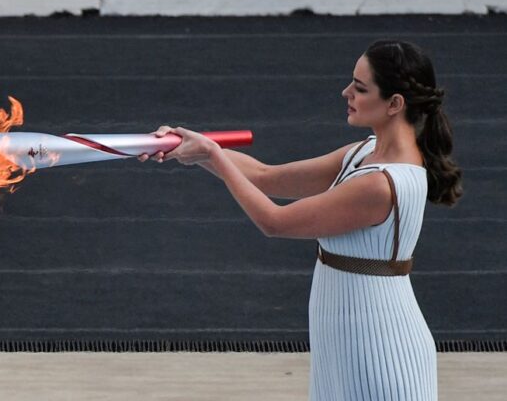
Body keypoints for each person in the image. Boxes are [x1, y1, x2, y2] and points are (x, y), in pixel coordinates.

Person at [139, 40, 463, 400]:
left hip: (378, 340)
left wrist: (215, 154)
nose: (346, 93)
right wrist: (192, 149)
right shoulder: (363, 154)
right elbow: (265, 175)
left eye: (359, 88)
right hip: (343, 334)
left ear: (395, 104)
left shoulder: (379, 184)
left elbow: (274, 221)